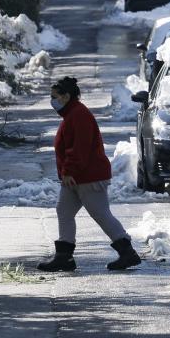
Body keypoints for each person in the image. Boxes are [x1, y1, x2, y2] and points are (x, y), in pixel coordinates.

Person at [38, 76, 141, 272]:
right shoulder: (71, 114)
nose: (51, 101)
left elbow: (79, 149)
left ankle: (127, 252)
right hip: (76, 177)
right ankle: (64, 257)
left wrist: (68, 171)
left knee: (101, 214)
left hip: (87, 176)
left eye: (54, 97)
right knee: (64, 211)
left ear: (66, 96)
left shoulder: (79, 115)